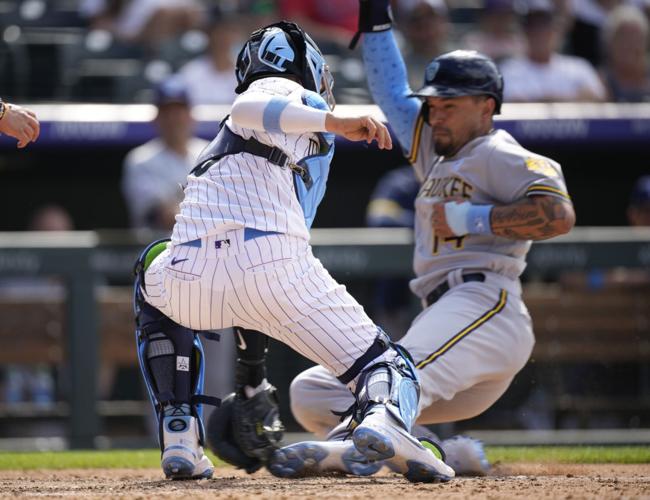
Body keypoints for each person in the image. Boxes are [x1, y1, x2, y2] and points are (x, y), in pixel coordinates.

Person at [133, 21, 455, 483]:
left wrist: (251, 377)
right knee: (383, 364)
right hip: (276, 267)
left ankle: (180, 434)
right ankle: (384, 416)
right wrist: (335, 121)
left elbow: (241, 285)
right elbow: (251, 107)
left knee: (150, 268)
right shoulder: (289, 93)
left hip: (191, 274)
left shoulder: (287, 131)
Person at [277, 0, 576, 477]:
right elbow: (393, 92)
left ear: (487, 107)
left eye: (450, 105)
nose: (436, 115)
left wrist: (471, 219)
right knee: (313, 392)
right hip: (440, 318)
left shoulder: (497, 151)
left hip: (486, 307)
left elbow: (558, 215)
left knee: (393, 375)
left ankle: (350, 452)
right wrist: (375, 18)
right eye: (434, 104)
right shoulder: (435, 155)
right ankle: (434, 450)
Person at [121, 76, 208, 231]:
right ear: (157, 118)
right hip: (158, 249)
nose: (174, 119)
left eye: (179, 111)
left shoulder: (209, 154)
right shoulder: (141, 160)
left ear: (190, 115)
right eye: (167, 112)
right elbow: (165, 216)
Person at [499, 2, 607, 102]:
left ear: (558, 30)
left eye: (546, 25)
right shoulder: (508, 70)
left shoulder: (579, 67)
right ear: (524, 32)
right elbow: (510, 102)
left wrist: (543, 100)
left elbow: (599, 98)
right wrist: (569, 98)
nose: (540, 32)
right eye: (533, 26)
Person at [177, 5, 240, 105]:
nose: (223, 38)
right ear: (209, 35)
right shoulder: (190, 72)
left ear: (236, 35)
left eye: (228, 31)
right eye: (218, 32)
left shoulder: (248, 74)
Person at [599, 5, 650, 102]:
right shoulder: (597, 83)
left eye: (636, 38)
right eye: (623, 38)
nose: (630, 44)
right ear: (609, 43)